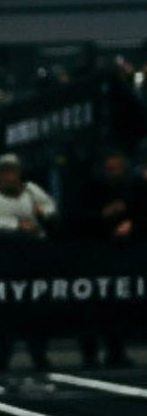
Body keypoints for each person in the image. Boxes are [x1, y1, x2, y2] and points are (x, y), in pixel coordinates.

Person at [0, 153, 56, 372]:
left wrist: (40, 214)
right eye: (5, 172)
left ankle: (39, 355)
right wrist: (17, 225)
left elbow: (51, 208)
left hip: (32, 258)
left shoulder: (30, 190)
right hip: (4, 259)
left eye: (13, 171)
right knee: (5, 312)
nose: (9, 177)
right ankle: (2, 357)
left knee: (35, 309)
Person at [76, 149, 144, 368]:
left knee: (119, 305)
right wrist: (104, 216)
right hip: (94, 253)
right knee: (92, 305)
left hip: (123, 255)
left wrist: (133, 225)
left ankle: (116, 351)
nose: (114, 172)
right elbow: (76, 220)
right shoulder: (90, 189)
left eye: (117, 168)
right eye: (110, 168)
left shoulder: (133, 189)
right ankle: (89, 353)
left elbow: (142, 212)